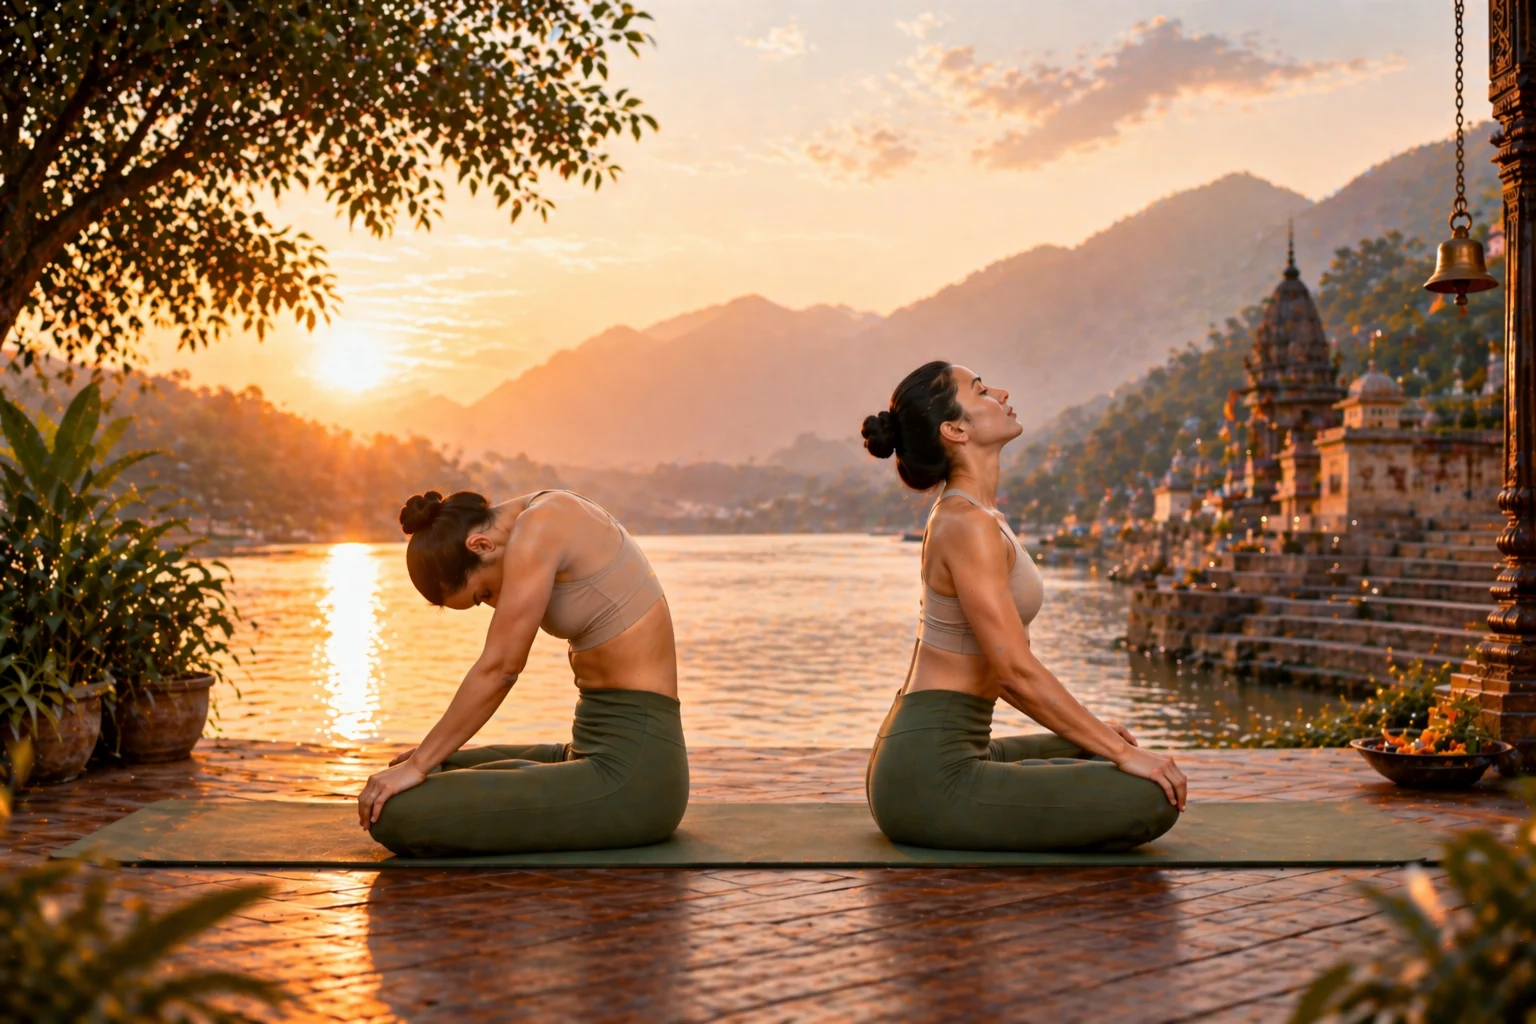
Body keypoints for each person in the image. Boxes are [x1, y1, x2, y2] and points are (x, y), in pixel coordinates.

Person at [861, 361, 1185, 851]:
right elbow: (1013, 669)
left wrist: (1103, 738)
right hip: (927, 777)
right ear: (955, 428)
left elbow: (1000, 661)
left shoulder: (979, 516)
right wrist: (1116, 752)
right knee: (1149, 796)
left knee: (1106, 745)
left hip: (938, 749)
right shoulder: (965, 524)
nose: (1003, 392)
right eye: (981, 390)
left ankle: (1094, 749)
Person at [357, 488, 688, 856]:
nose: (494, 603)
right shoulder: (543, 509)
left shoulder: (541, 526)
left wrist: (421, 764)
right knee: (419, 768)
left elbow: (501, 667)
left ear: (481, 545)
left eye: (482, 593)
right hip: (585, 751)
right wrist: (419, 763)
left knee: (398, 811)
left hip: (634, 777)